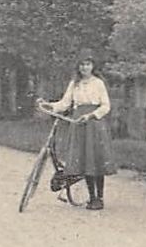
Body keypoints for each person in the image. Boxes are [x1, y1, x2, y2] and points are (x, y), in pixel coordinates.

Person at [37, 52, 115, 211]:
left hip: (94, 123)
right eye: (81, 65)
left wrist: (92, 115)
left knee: (96, 160)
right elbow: (65, 103)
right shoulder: (75, 83)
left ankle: (99, 198)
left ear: (93, 66)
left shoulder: (98, 83)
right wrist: (49, 105)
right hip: (78, 123)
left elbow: (106, 106)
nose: (84, 68)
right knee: (84, 159)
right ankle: (91, 197)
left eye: (87, 64)